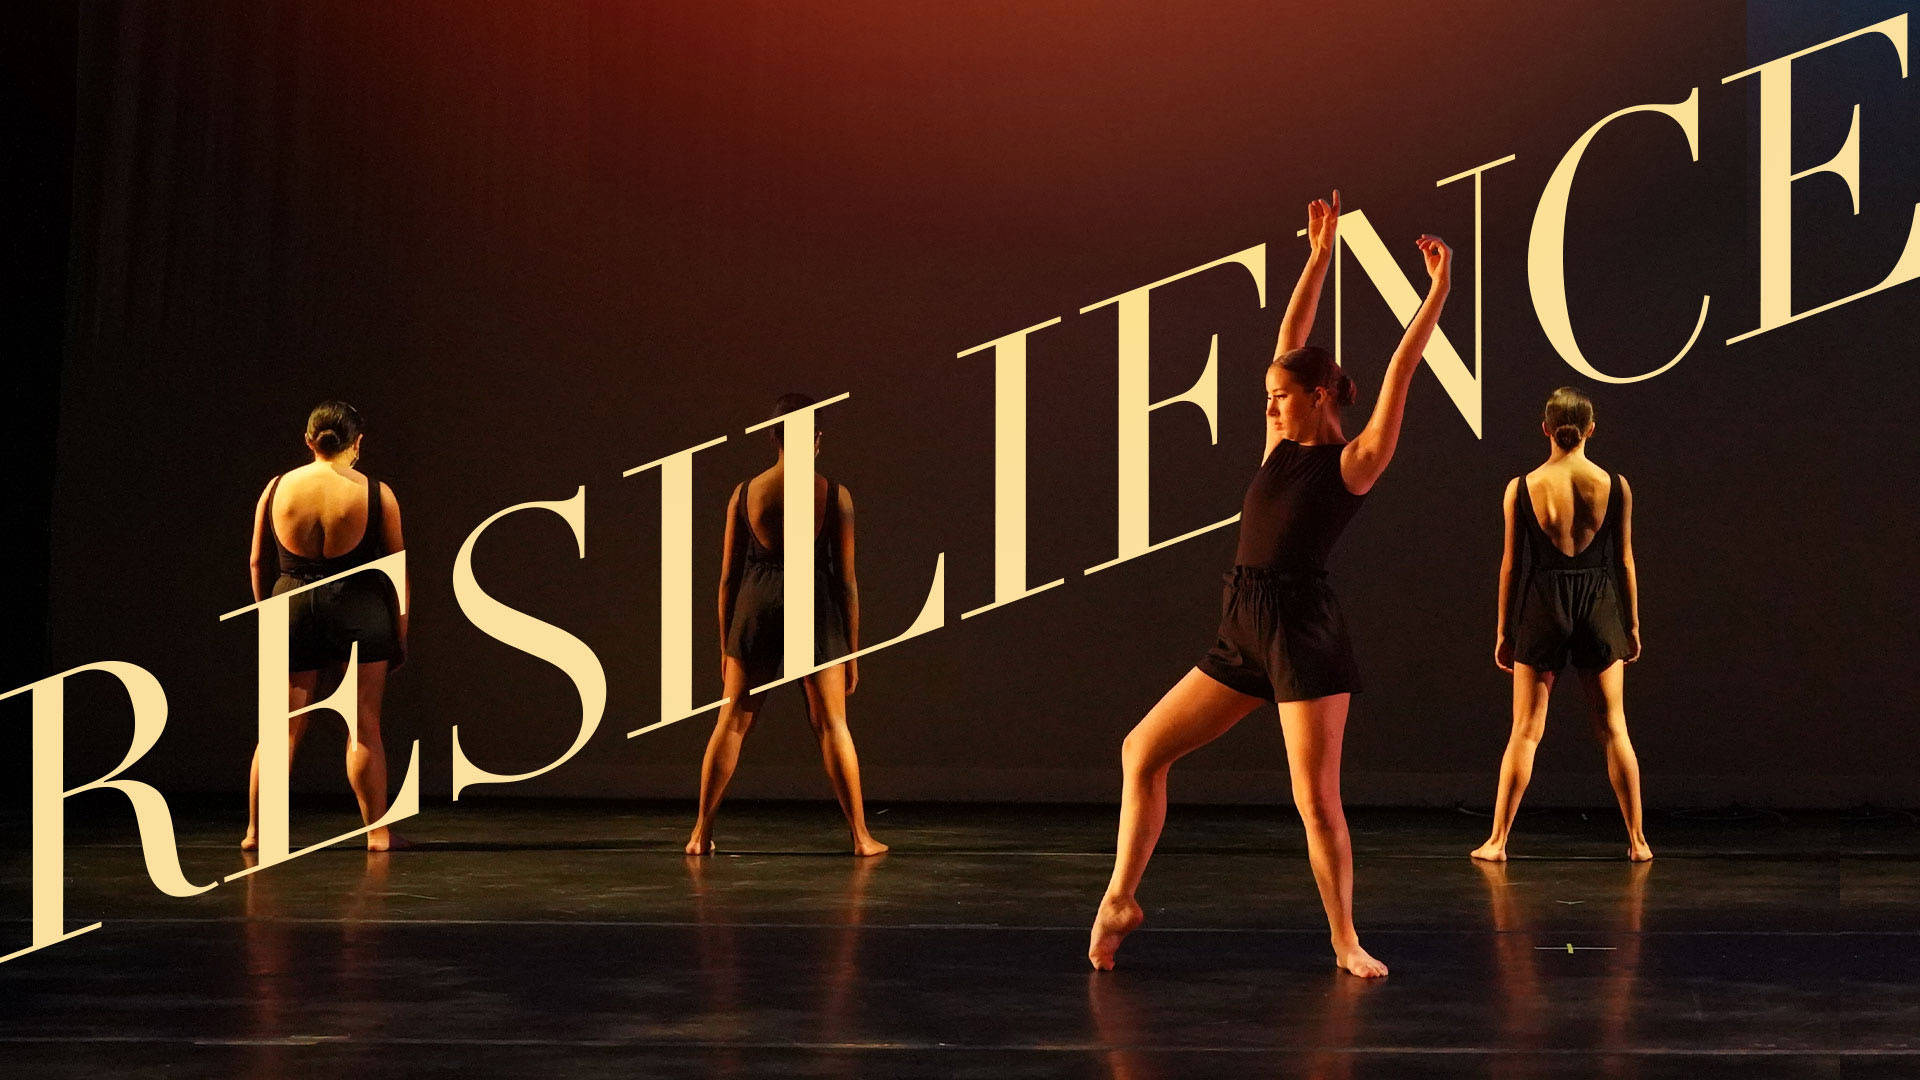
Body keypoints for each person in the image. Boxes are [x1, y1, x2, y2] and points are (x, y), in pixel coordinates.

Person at [1088, 191, 1451, 976]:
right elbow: (1289, 337)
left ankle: (1344, 939)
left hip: (1300, 631)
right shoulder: (1277, 446)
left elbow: (1400, 365)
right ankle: (1120, 896)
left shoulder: (1352, 463)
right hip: (1242, 622)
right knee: (1141, 751)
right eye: (1268, 398)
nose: (1270, 408)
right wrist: (1317, 259)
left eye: (1281, 397)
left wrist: (1436, 295)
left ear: (1319, 396)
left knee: (1315, 801)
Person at [685, 394, 887, 857]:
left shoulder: (745, 494)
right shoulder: (833, 495)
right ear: (815, 439)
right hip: (813, 608)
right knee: (833, 723)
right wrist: (852, 651)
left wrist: (725, 646)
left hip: (757, 605)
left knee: (731, 721)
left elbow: (727, 580)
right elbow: (847, 583)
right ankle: (860, 836)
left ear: (773, 436)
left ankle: (700, 833)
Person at [1472, 387, 1650, 862]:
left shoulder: (1522, 487)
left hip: (1544, 601)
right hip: (1598, 601)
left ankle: (1498, 842)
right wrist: (1631, 625)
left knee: (1525, 731)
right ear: (1591, 429)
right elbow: (1625, 563)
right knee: (1614, 728)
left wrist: (1504, 632)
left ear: (1545, 429)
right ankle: (1637, 841)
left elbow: (1510, 567)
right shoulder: (1615, 484)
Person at [242, 401, 410, 853]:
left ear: (309, 441)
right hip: (358, 609)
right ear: (357, 444)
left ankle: (257, 832)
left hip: (290, 606)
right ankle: (377, 833)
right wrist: (400, 631)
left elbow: (258, 561)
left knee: (281, 728)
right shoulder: (377, 493)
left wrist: (270, 617)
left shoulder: (276, 488)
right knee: (364, 727)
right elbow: (397, 572)